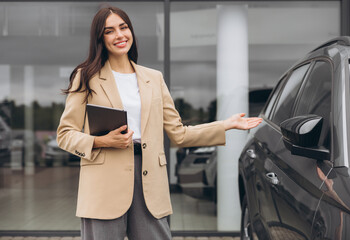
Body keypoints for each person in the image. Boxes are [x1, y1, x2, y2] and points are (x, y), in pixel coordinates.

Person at [57, 6, 263, 240]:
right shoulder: (86, 77)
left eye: (123, 27)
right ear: (100, 39)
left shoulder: (153, 79)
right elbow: (65, 134)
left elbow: (179, 134)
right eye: (109, 31)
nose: (119, 35)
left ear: (131, 31)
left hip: (149, 182)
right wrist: (101, 140)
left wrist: (225, 125)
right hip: (104, 182)